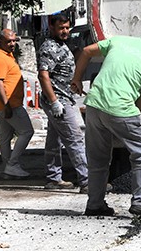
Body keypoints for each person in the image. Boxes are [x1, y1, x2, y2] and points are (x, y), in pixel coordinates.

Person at [71, 19, 141, 217]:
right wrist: (132, 124)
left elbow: (85, 52)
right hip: (121, 109)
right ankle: (140, 202)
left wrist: (76, 79)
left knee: (98, 159)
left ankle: (94, 204)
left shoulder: (119, 41)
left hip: (94, 105)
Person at [38, 13, 89, 191]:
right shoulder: (49, 47)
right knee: (75, 138)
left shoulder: (62, 45)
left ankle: (53, 178)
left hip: (64, 97)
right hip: (58, 100)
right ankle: (87, 181)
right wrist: (54, 102)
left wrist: (74, 83)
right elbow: (43, 75)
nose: (65, 31)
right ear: (52, 27)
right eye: (61, 28)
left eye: (67, 28)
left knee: (55, 138)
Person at [0, 29, 35, 178]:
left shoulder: (6, 55)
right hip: (10, 104)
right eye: (9, 41)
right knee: (27, 131)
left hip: (7, 103)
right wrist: (7, 105)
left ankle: (7, 168)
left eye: (14, 40)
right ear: (0, 41)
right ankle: (12, 164)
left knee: (6, 137)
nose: (12, 44)